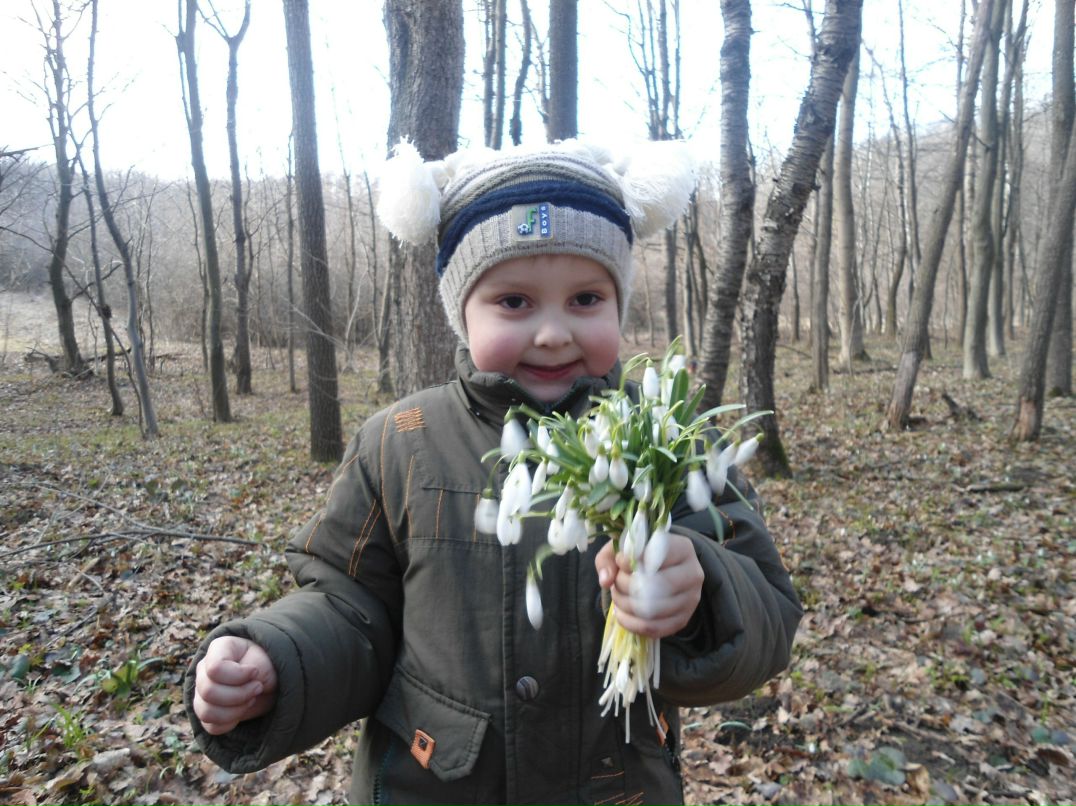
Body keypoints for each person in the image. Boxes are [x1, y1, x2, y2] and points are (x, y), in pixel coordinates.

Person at [185, 139, 802, 806]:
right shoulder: (401, 443)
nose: (552, 332)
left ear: (619, 303)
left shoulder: (668, 435)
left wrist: (699, 594)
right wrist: (279, 660)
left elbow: (767, 608)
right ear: (461, 311)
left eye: (587, 298)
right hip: (430, 785)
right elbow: (347, 604)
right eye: (514, 302)